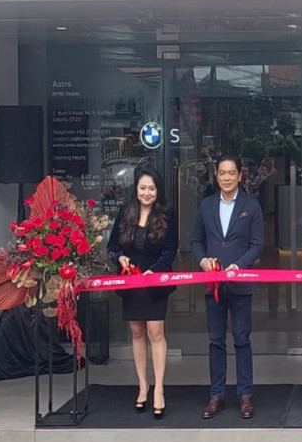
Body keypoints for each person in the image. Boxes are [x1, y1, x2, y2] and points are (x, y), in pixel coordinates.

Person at [191, 153, 264, 419]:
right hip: (213, 284)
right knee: (216, 341)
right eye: (222, 173)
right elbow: (196, 241)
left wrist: (239, 265)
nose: (227, 177)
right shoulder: (206, 205)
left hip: (240, 284)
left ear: (240, 175)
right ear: (216, 175)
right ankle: (217, 395)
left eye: (232, 173)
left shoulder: (251, 206)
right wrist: (203, 261)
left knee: (242, 340)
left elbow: (257, 244)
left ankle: (245, 395)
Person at [107, 164, 178, 420]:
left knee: (155, 333)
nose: (147, 193)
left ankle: (159, 389)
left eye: (151, 189)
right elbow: (113, 246)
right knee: (137, 333)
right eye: (142, 188)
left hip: (155, 282)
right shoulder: (125, 212)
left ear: (158, 191)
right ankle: (142, 386)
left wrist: (154, 271)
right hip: (131, 282)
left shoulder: (167, 214)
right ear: (135, 189)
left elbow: (170, 250)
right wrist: (121, 258)